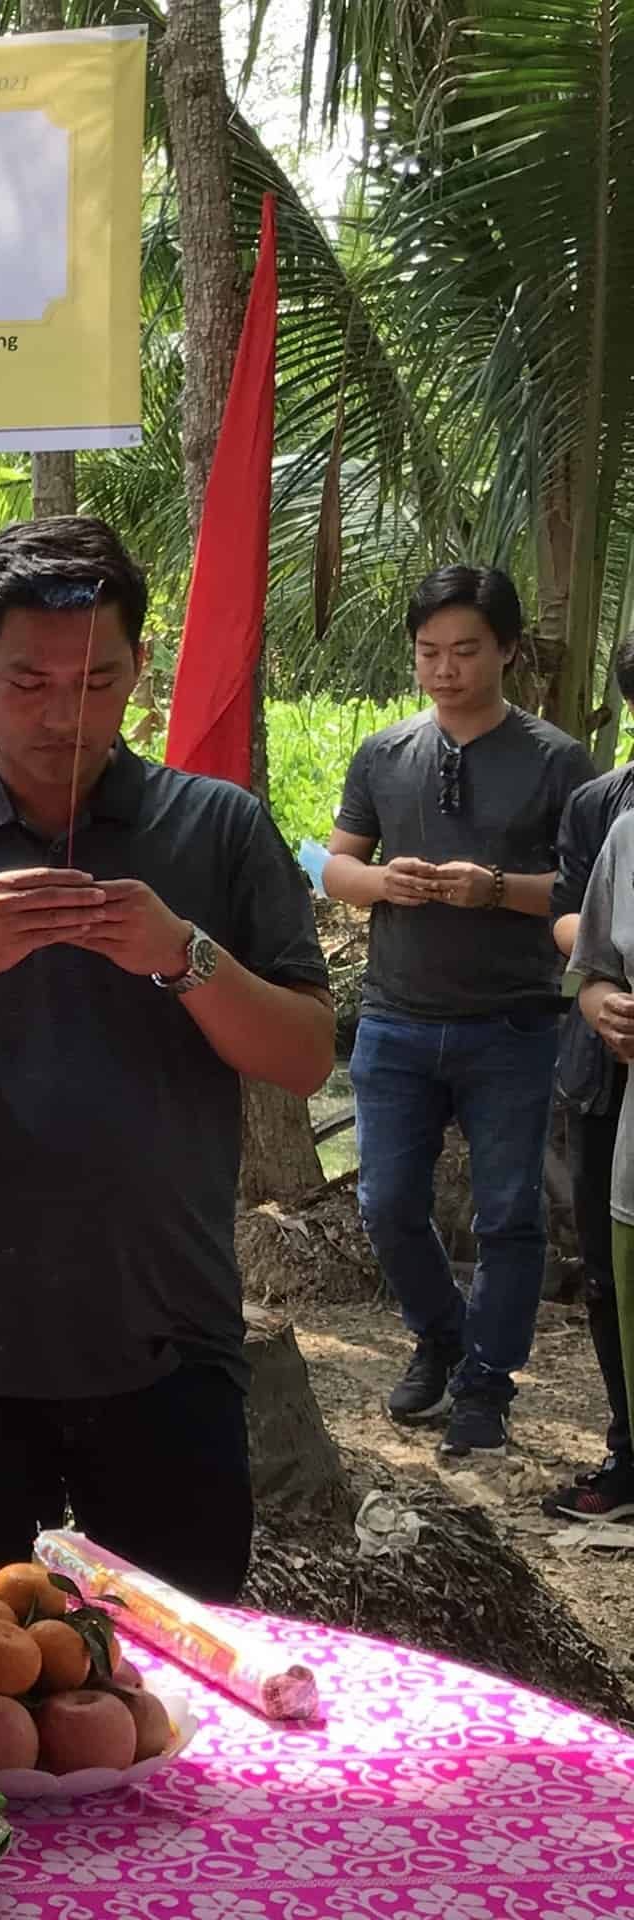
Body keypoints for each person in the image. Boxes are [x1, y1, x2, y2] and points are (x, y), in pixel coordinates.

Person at [0, 516, 331, 1604]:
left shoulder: (219, 830)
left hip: (166, 1334)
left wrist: (184, 955)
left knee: (175, 1665)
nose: (65, 716)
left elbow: (303, 1058)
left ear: (139, 668)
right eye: (29, 683)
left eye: (97, 682)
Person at [325, 565, 596, 1461]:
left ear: (508, 650)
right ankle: (442, 1333)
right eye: (428, 652)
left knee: (509, 1213)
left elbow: (586, 893)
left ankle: (487, 1385)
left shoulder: (557, 761)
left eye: (465, 651)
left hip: (513, 1023)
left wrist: (496, 889)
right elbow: (334, 866)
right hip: (396, 1017)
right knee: (386, 1202)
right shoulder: (384, 753)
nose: (444, 670)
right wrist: (381, 881)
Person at [548, 632, 634, 1521]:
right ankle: (627, 1448)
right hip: (607, 1076)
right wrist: (602, 992)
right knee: (610, 1271)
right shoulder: (604, 808)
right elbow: (571, 921)